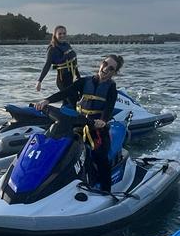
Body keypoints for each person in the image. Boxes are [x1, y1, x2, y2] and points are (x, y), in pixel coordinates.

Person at [35, 55, 123, 193]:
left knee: (100, 155)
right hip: (79, 123)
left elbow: (109, 108)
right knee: (59, 144)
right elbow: (66, 92)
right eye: (105, 63)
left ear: (114, 72)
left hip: (97, 128)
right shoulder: (85, 81)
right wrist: (47, 101)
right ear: (101, 63)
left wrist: (103, 121)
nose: (106, 68)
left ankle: (106, 191)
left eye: (111, 68)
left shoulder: (111, 88)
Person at [35, 26, 80, 106]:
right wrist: (39, 81)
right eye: (60, 34)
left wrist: (78, 78)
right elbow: (47, 65)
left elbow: (74, 64)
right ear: (55, 35)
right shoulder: (52, 49)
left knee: (69, 101)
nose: (62, 35)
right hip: (62, 79)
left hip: (71, 78)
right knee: (73, 100)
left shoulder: (67, 46)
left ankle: (64, 113)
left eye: (64, 33)